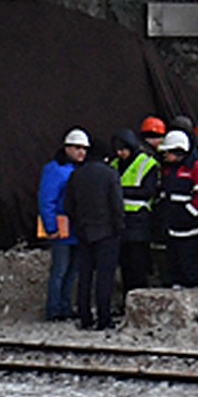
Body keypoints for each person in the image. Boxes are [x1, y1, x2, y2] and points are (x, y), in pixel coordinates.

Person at [64, 139, 125, 331]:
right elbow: (117, 205)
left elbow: (69, 206)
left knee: (85, 276)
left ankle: (85, 317)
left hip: (84, 232)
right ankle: (104, 318)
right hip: (107, 232)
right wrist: (119, 227)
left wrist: (79, 224)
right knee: (104, 277)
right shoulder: (110, 175)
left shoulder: (76, 175)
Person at [38, 128, 87, 321]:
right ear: (67, 148)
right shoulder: (54, 169)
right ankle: (54, 308)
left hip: (76, 228)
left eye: (83, 148)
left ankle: (65, 306)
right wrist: (51, 227)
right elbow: (47, 200)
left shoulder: (77, 170)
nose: (81, 152)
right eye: (77, 148)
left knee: (71, 270)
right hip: (61, 227)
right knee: (60, 269)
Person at [156, 129, 198, 288]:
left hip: (189, 227)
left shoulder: (195, 167)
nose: (165, 155)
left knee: (189, 260)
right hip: (172, 224)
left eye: (168, 152)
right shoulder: (167, 168)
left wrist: (188, 214)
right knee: (173, 260)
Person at [111, 128, 159, 296]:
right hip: (121, 220)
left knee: (137, 265)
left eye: (123, 149)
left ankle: (139, 299)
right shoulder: (115, 164)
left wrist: (121, 190)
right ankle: (127, 300)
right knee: (125, 264)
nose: (120, 153)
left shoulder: (147, 164)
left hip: (140, 219)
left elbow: (149, 191)